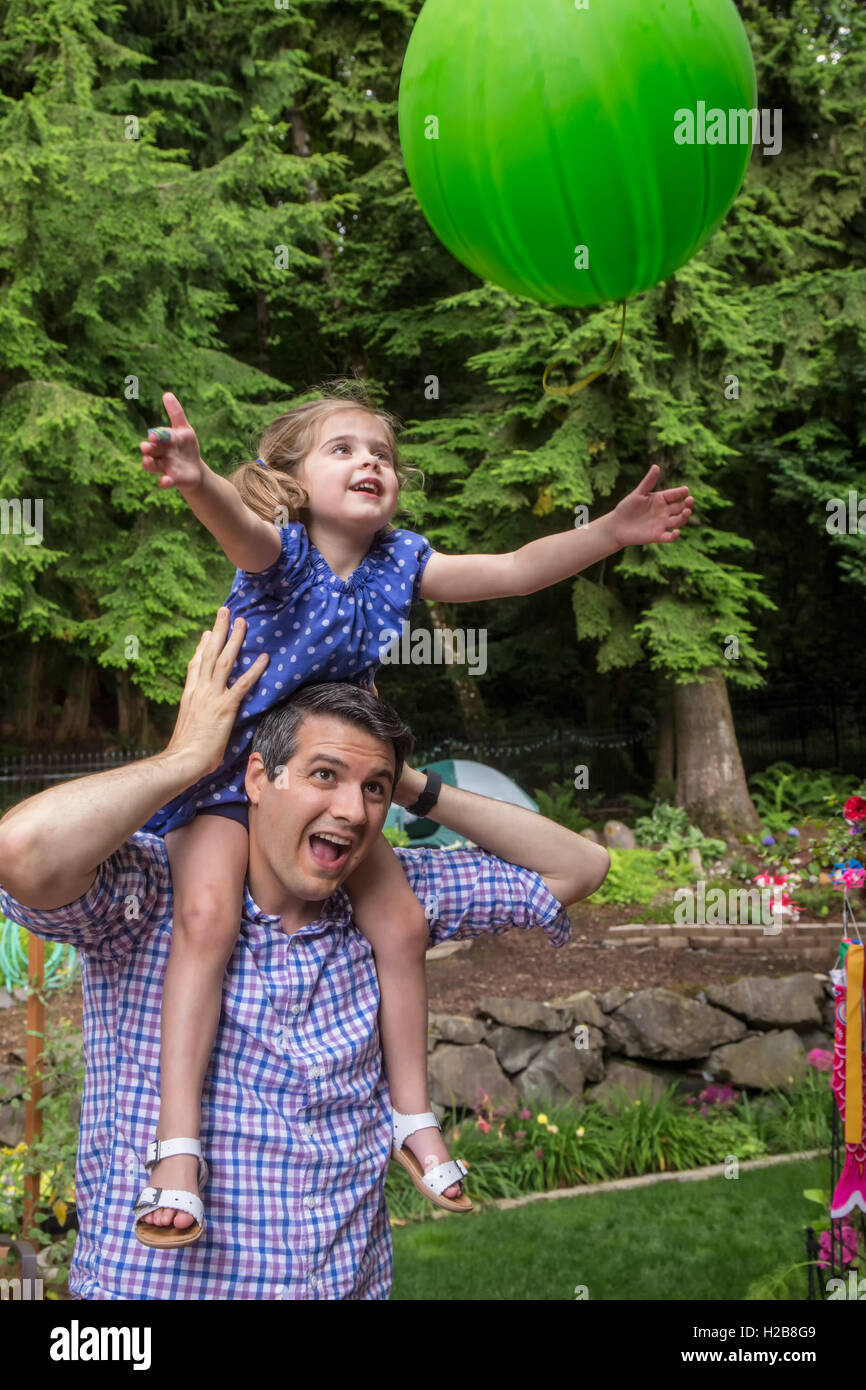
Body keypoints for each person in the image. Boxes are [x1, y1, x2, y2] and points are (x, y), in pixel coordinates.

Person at [129, 385, 694, 1245]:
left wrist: (608, 533)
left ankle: (412, 1118)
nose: (370, 463)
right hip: (230, 780)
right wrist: (199, 476)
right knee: (204, 919)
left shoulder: (402, 562)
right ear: (289, 477)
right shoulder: (278, 553)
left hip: (332, 786)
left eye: (382, 455)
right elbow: (234, 528)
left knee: (398, 925)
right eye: (343, 450)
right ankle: (177, 1148)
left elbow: (511, 569)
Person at [0, 608, 610, 1301]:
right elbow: (22, 853)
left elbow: (578, 868)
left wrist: (410, 784)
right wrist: (187, 761)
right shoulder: (148, 895)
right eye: (324, 774)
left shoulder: (397, 902)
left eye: (370, 790)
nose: (352, 810)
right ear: (258, 778)